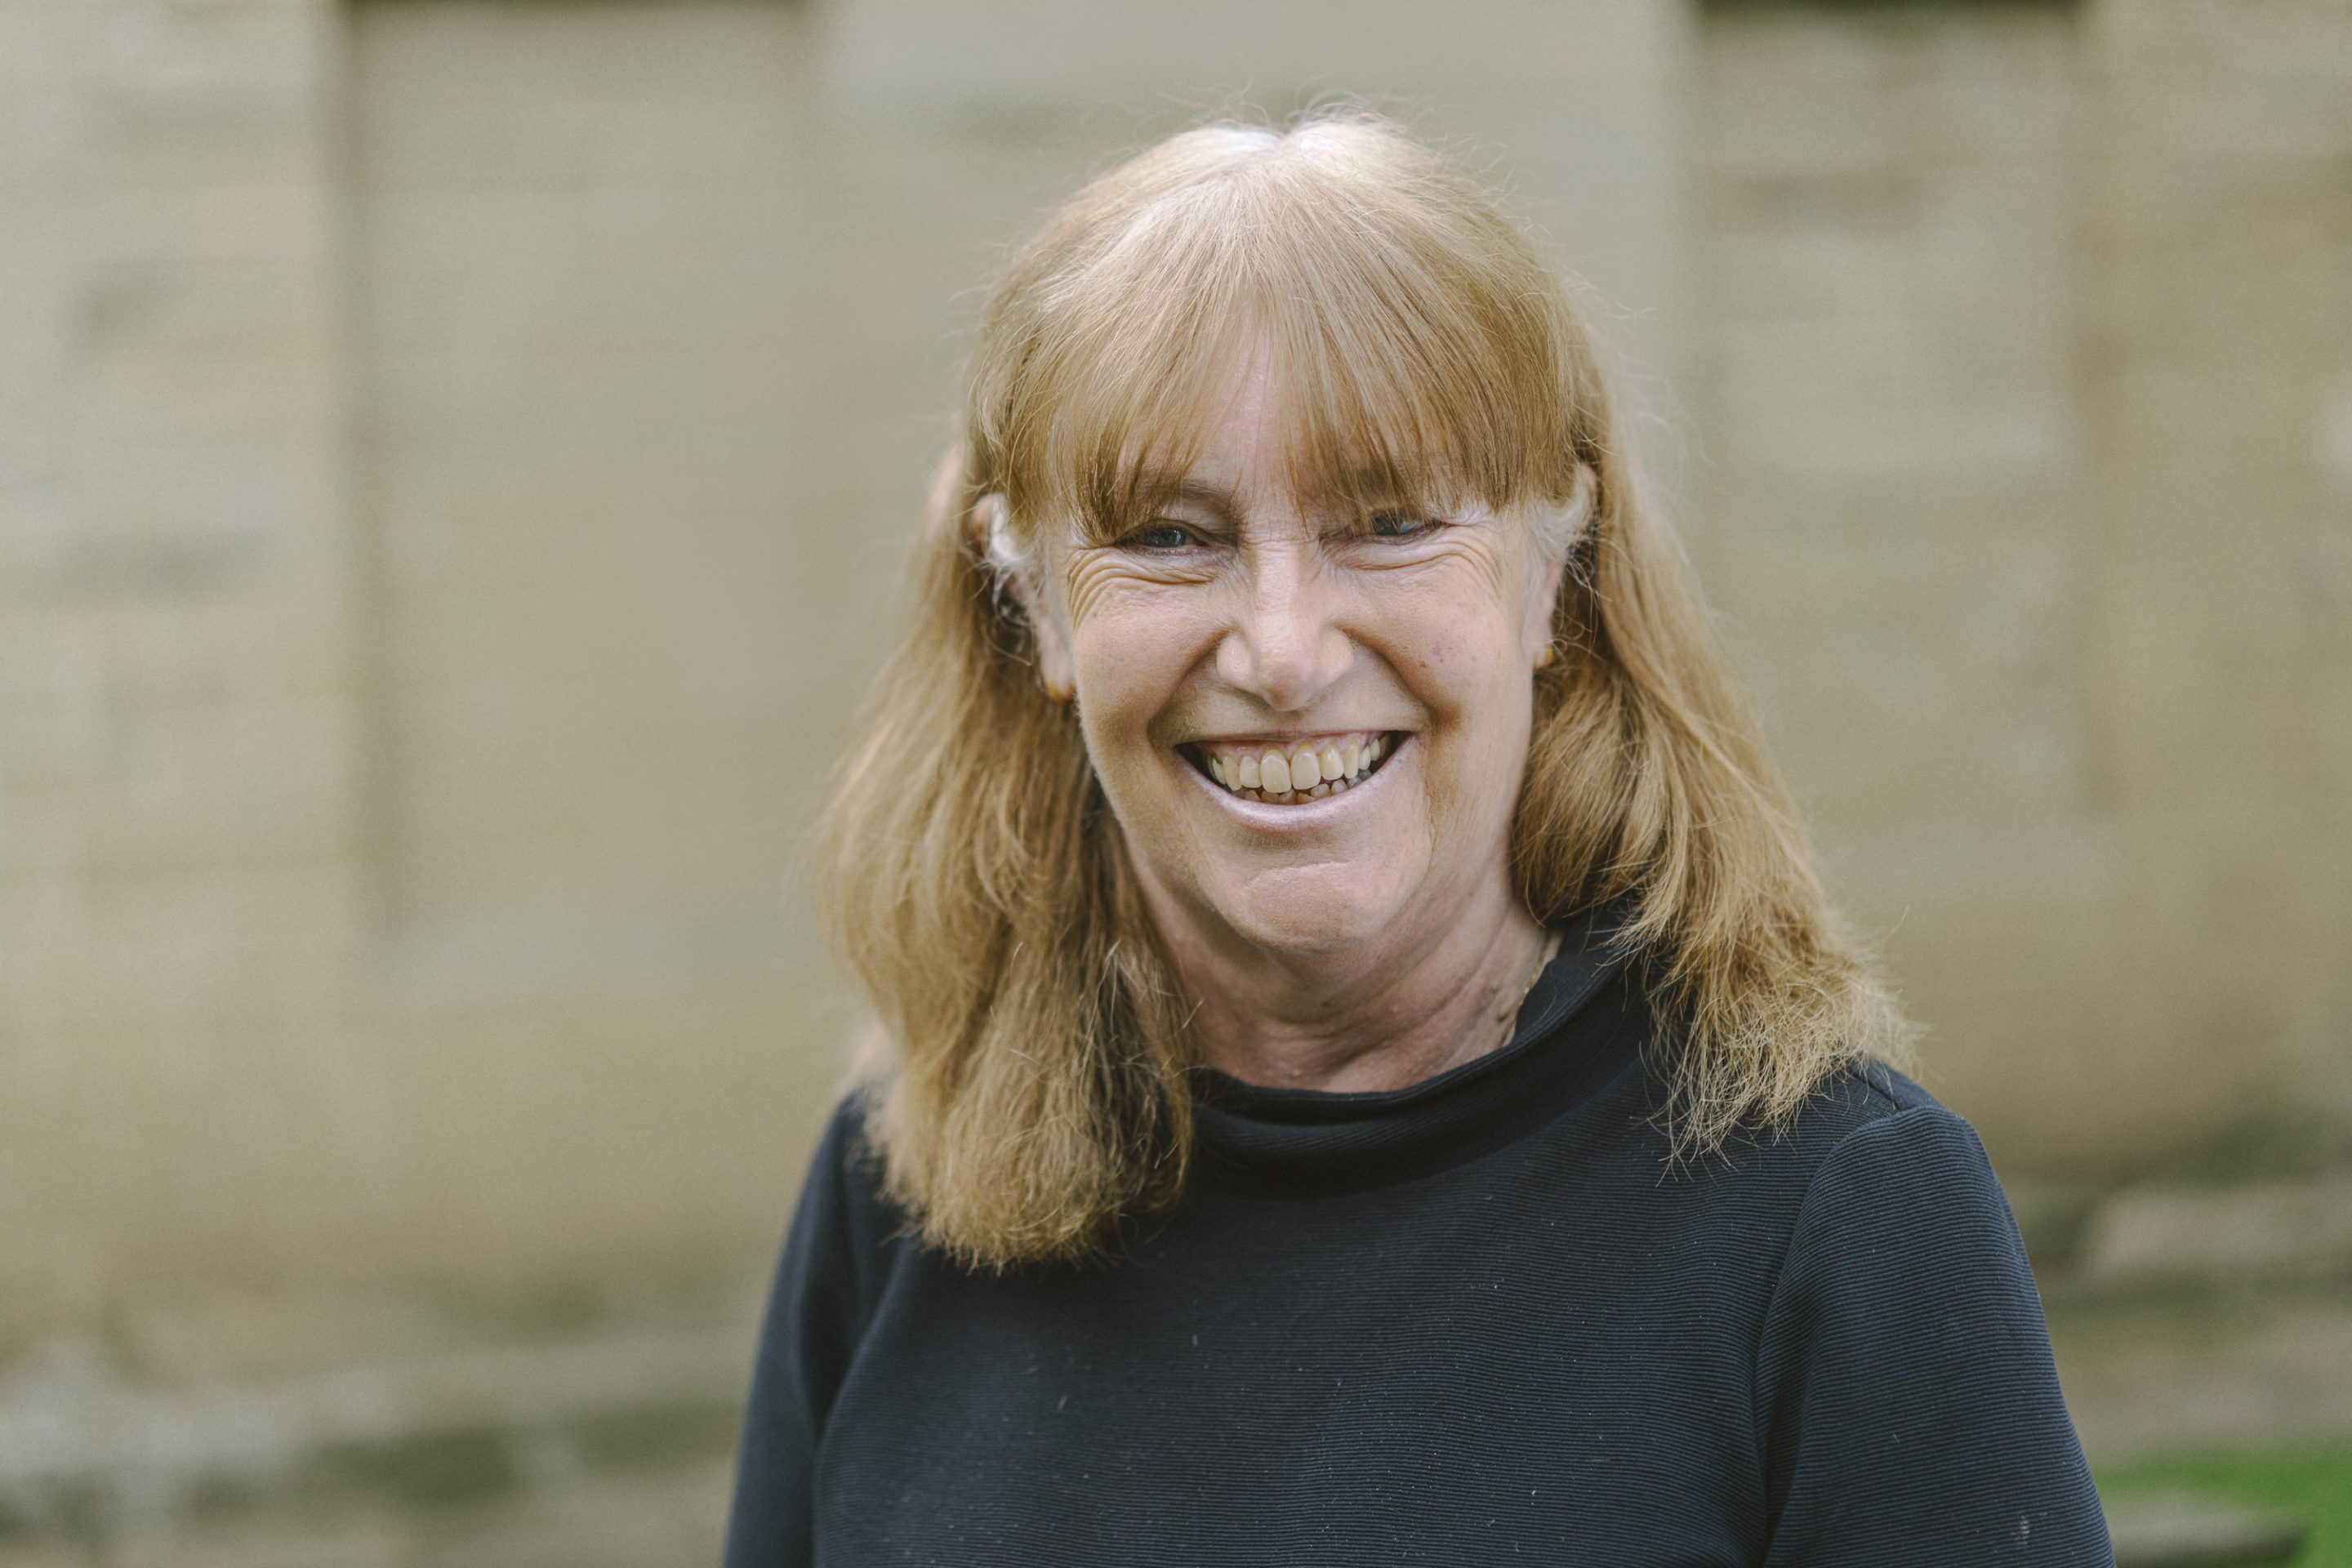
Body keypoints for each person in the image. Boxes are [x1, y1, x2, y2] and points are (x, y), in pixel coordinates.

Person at [724, 114, 2113, 1566]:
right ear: (1040, 606)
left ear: (1550, 574)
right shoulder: (904, 1188)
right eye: (1170, 536)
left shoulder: (1836, 1214)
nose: (1279, 649)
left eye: (1388, 521)